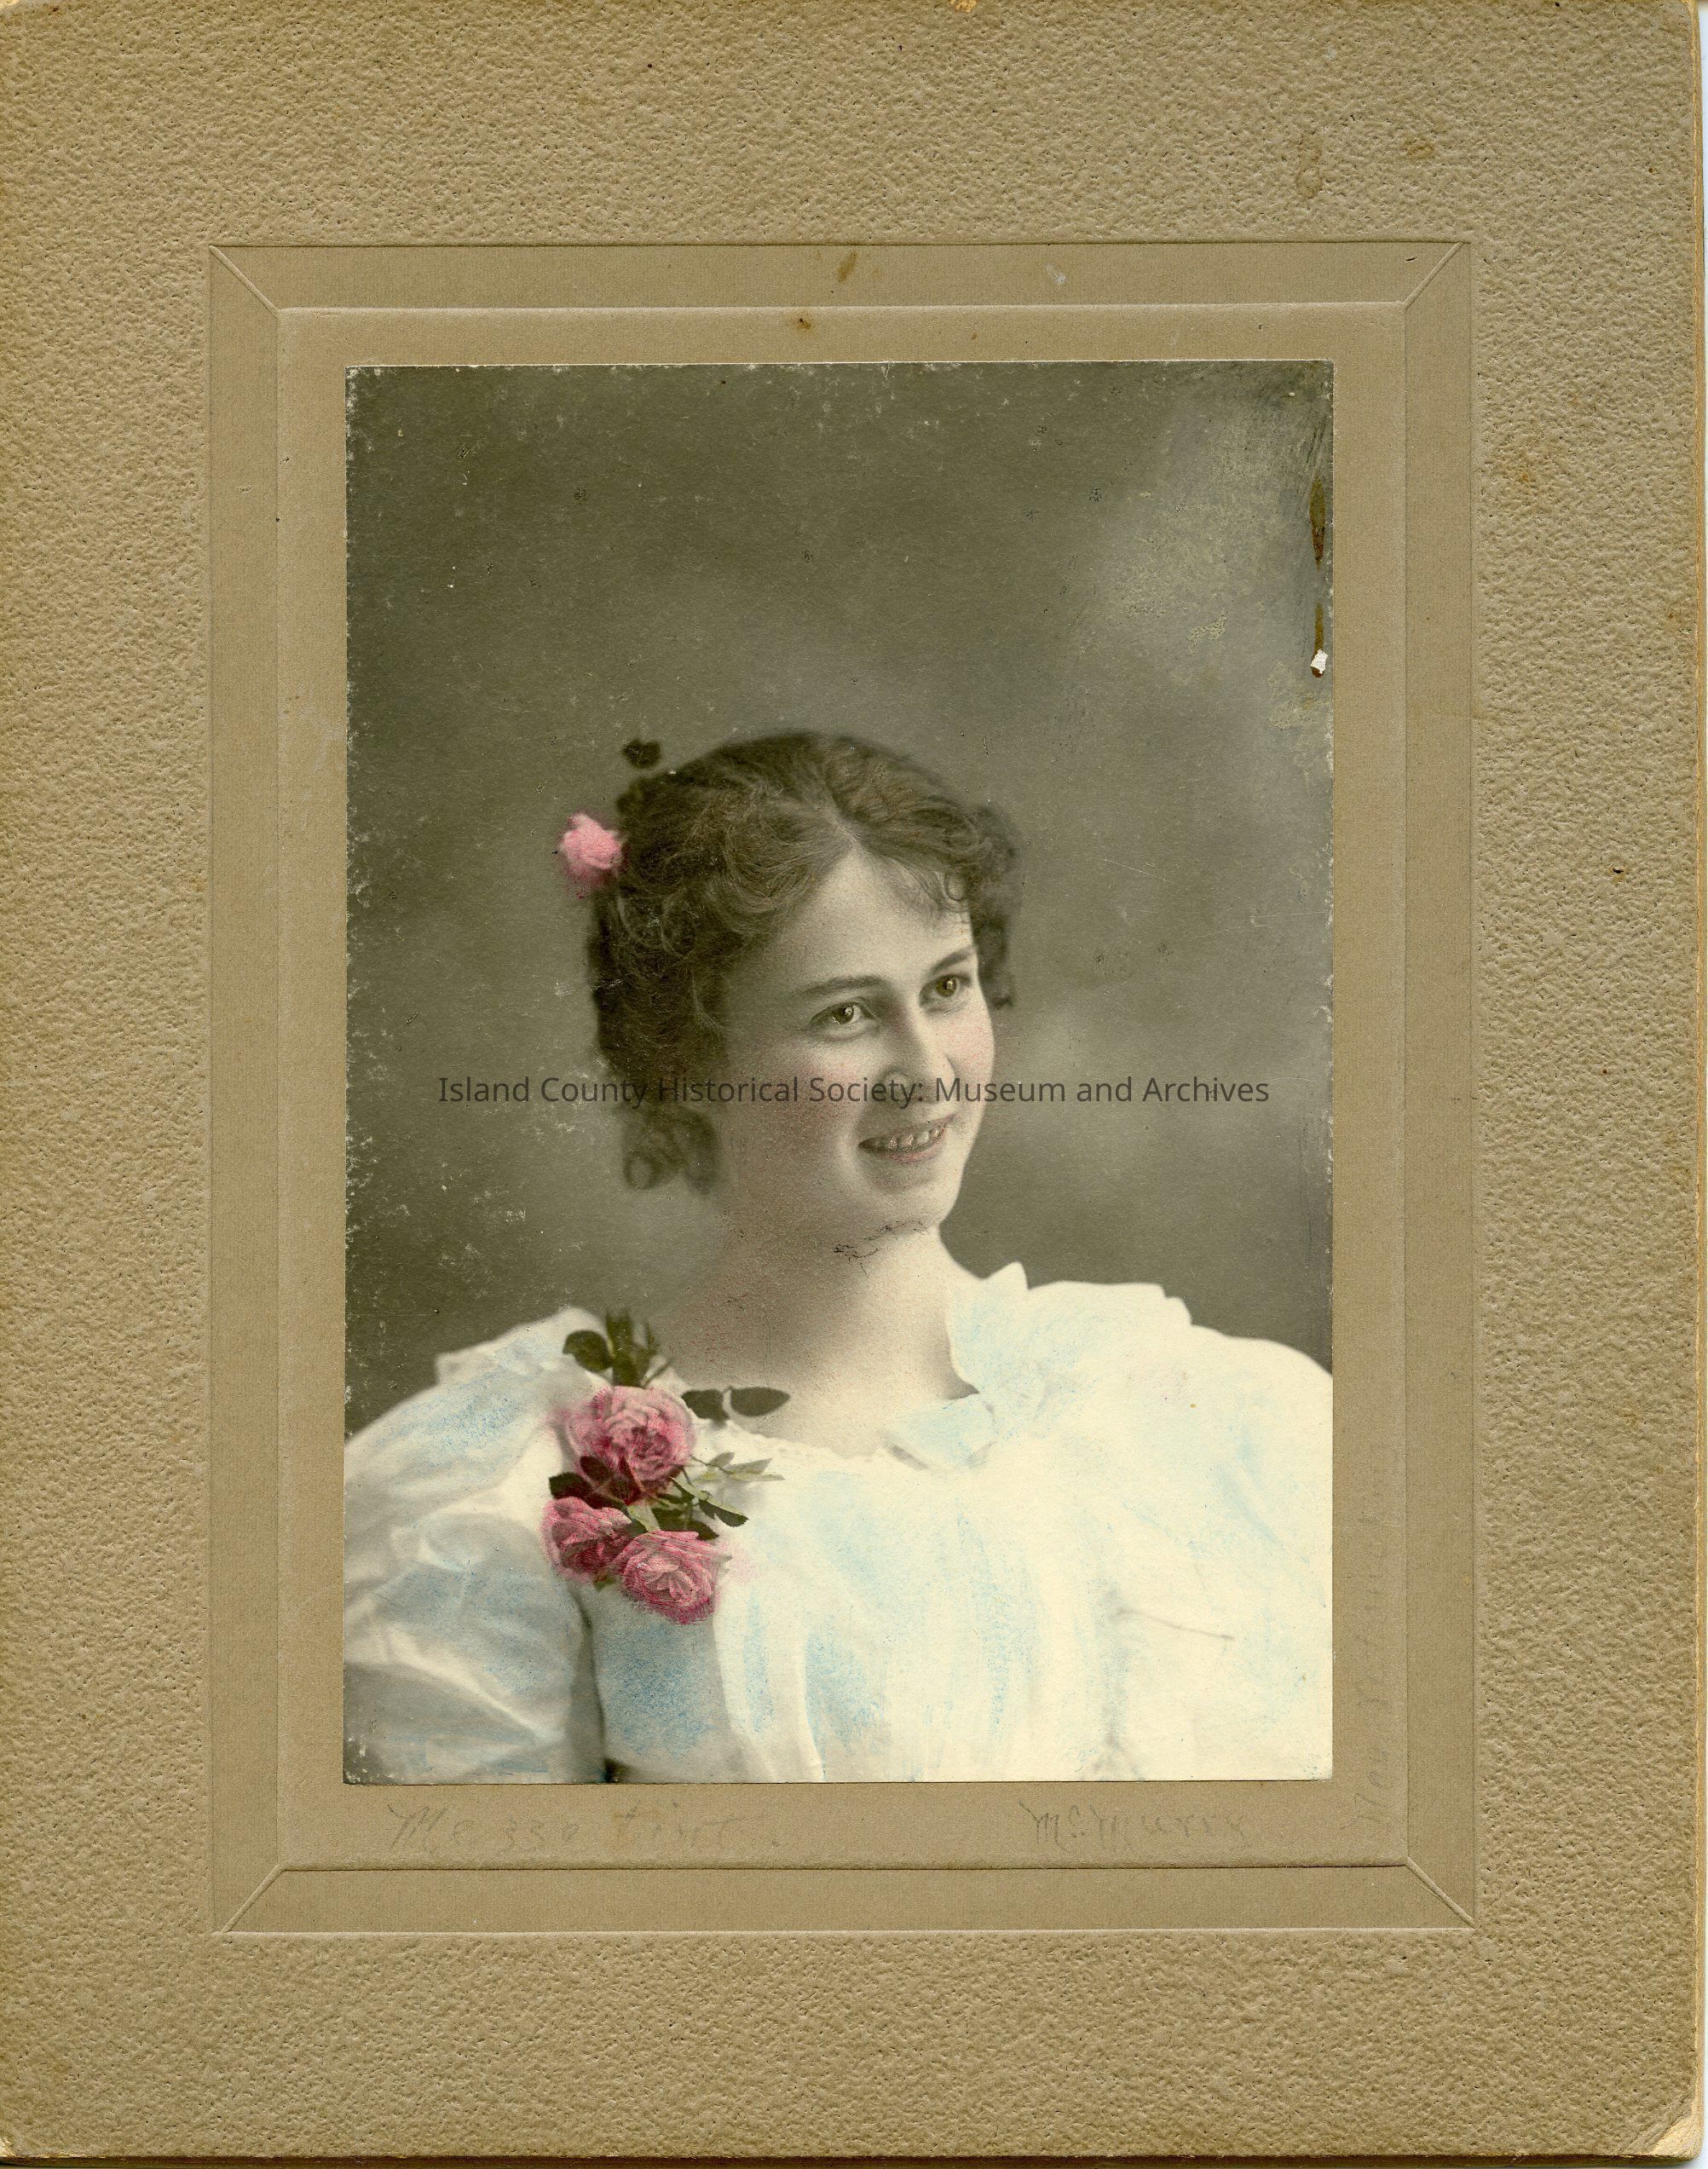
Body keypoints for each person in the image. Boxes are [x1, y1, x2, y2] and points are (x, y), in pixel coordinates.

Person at [343, 731, 1331, 1784]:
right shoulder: (507, 1482)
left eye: (947, 988)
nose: (926, 1071)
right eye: (847, 1013)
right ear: (690, 1063)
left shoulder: (1211, 1416)